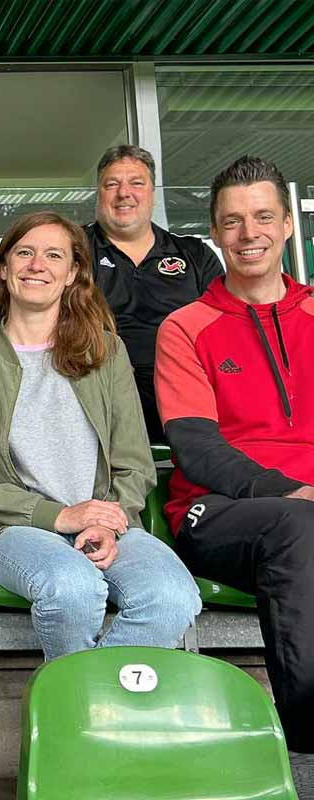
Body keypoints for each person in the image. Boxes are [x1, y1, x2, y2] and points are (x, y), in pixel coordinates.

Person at [0, 211, 200, 662]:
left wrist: (103, 520)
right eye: (24, 253)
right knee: (72, 587)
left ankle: (88, 706)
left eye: (53, 255)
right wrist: (59, 516)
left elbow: (135, 462)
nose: (36, 264)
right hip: (10, 529)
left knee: (172, 597)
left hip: (107, 522)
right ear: (4, 268)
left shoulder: (106, 351)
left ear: (73, 272)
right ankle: (82, 709)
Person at [155, 156, 314, 783]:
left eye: (263, 217)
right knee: (299, 528)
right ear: (215, 234)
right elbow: (198, 450)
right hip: (219, 511)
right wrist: (294, 491)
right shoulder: (185, 327)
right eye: (233, 221)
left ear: (287, 228)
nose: (249, 233)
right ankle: (307, 743)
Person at [86, 144, 223, 440]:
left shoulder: (194, 254)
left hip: (185, 393)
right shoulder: (74, 251)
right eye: (112, 184)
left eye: (137, 183)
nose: (124, 193)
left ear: (152, 192)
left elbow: (225, 331)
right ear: (99, 193)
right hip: (100, 395)